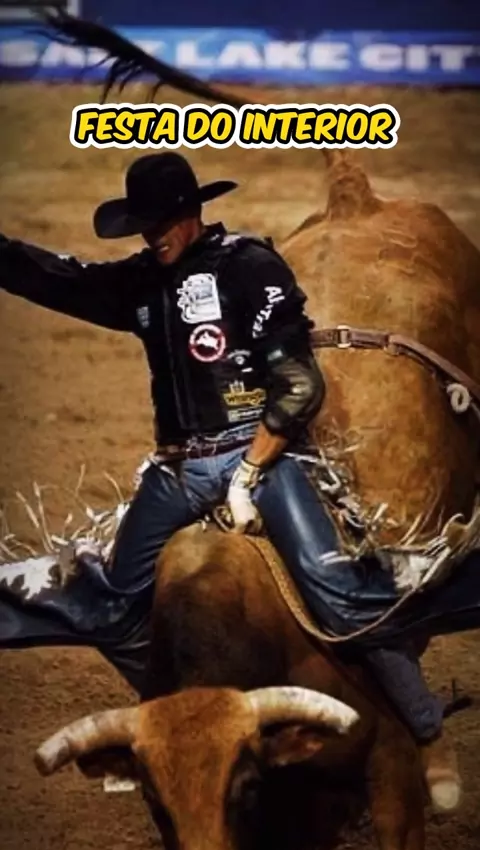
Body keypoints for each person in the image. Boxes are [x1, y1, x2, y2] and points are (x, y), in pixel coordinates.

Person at [0, 152, 460, 801]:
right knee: (112, 605)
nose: (151, 235)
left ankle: (425, 729)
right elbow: (59, 278)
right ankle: (181, 726)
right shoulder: (142, 282)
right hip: (180, 470)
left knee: (342, 595)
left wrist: (249, 471)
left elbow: (299, 385)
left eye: (160, 222)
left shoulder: (250, 266)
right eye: (142, 225)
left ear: (190, 212)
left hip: (263, 457)